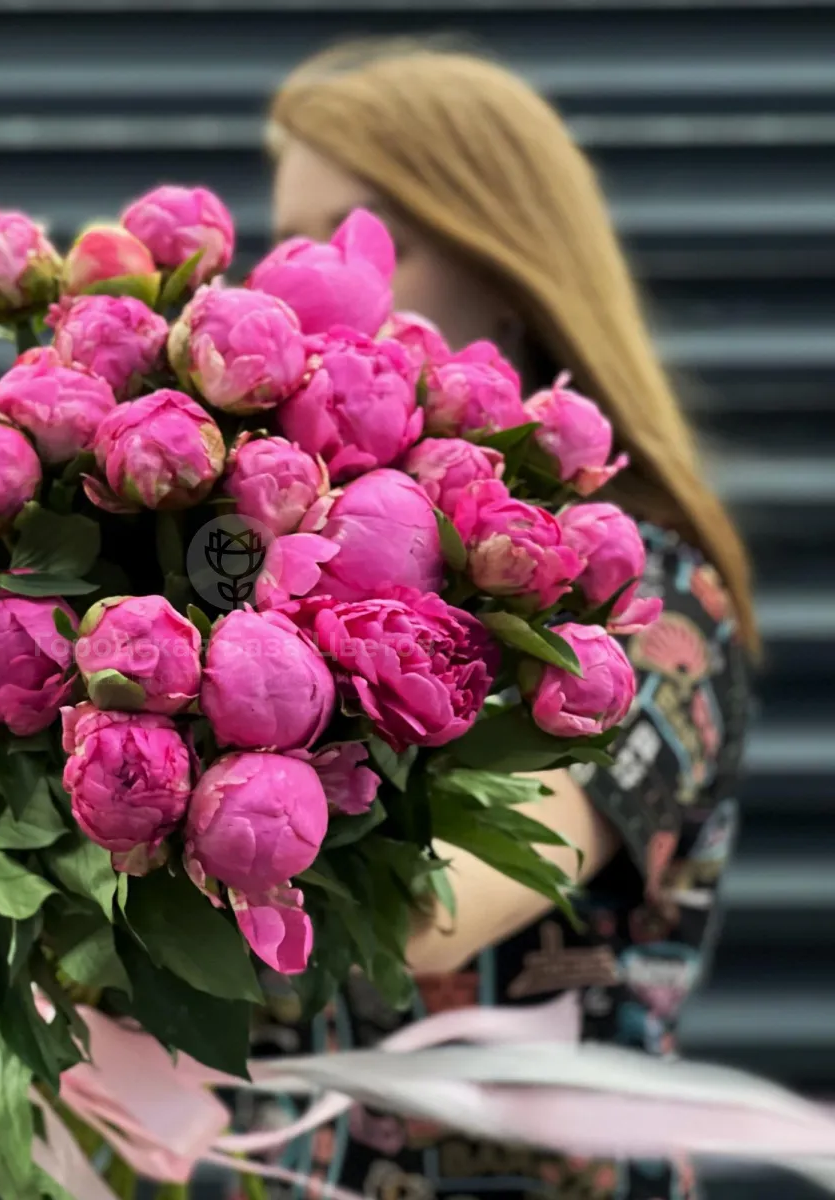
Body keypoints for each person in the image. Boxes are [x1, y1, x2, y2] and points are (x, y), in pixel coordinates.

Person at [239, 41, 757, 1200]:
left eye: (373, 238)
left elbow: (430, 911)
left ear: (509, 262)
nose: (306, 289)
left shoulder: (647, 603)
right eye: (289, 244)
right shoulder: (265, 576)